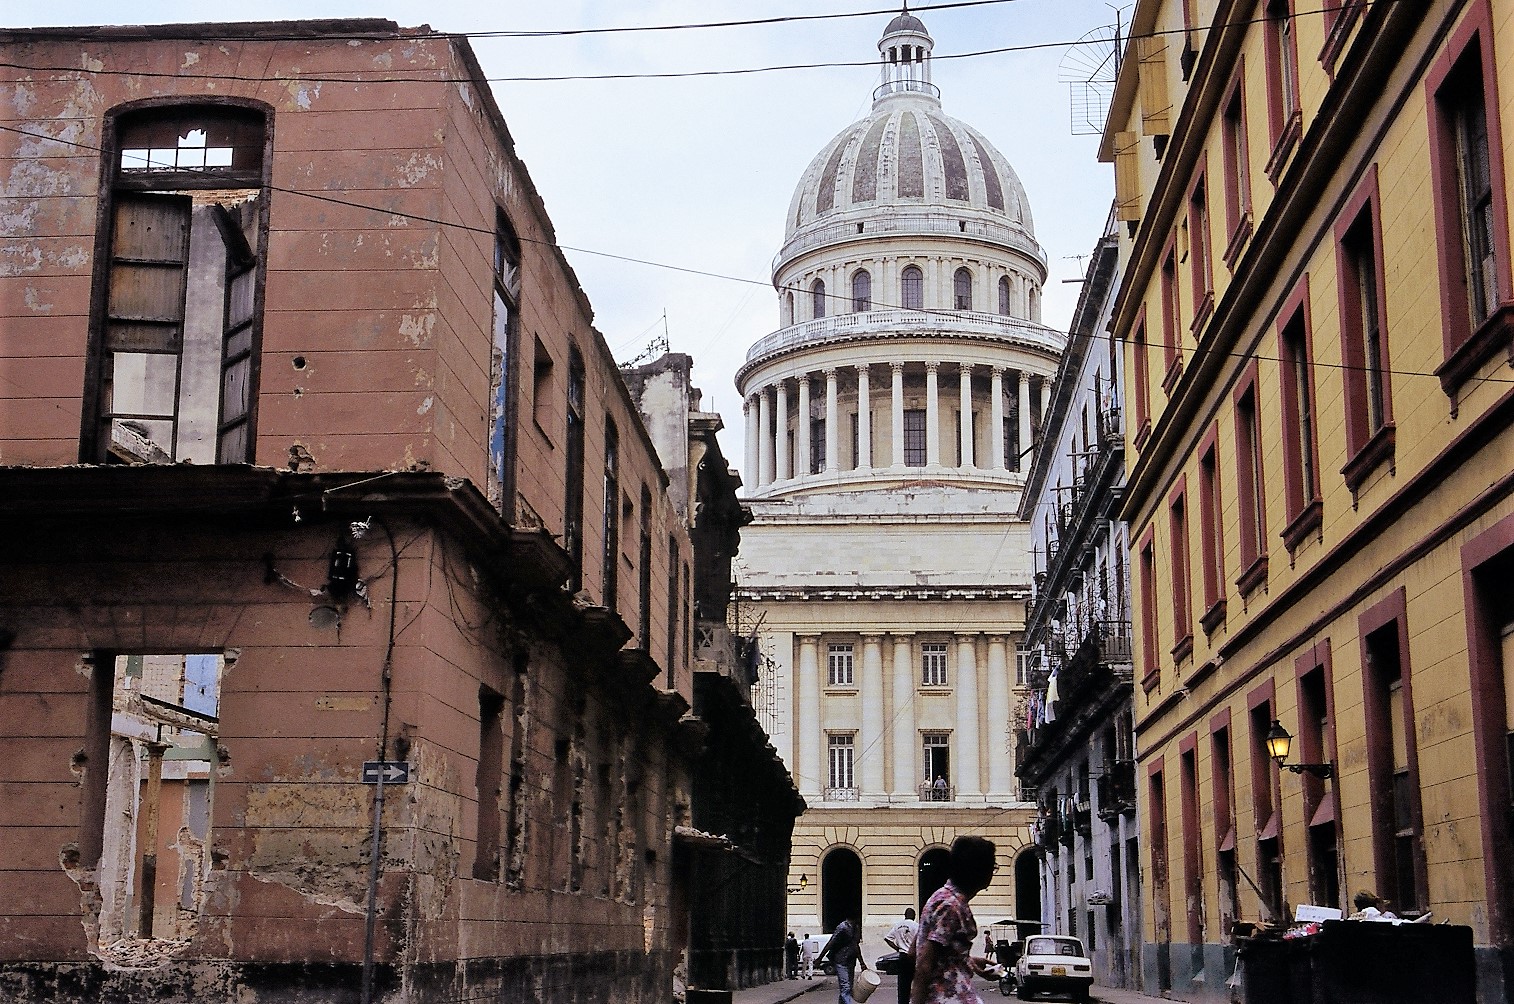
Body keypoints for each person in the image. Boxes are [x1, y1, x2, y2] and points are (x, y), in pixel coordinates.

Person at [910, 835, 999, 1004]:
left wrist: (968, 962)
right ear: (980, 872)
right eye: (992, 867)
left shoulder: (940, 898)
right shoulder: (952, 907)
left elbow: (915, 952)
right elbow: (924, 964)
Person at [817, 914, 871, 1004]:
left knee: (848, 988)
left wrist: (862, 962)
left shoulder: (856, 927)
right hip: (840, 960)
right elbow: (831, 943)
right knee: (845, 987)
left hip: (851, 961)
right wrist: (820, 958)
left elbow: (855, 946)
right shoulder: (842, 927)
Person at [885, 907, 919, 1004]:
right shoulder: (916, 926)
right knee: (916, 982)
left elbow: (887, 938)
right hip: (913, 956)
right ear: (914, 916)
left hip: (902, 956)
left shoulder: (897, 925)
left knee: (903, 984)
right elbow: (920, 939)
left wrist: (897, 948)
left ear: (905, 915)